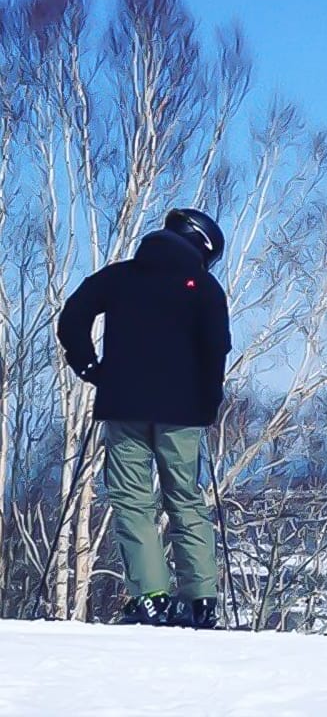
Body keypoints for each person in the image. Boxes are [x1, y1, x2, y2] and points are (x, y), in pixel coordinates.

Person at [56, 208, 232, 628]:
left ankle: (151, 598)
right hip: (184, 412)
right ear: (203, 247)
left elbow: (73, 317)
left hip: (124, 405)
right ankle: (201, 601)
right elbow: (216, 349)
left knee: (133, 501)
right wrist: (209, 402)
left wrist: (90, 368)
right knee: (185, 499)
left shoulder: (119, 276)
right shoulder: (205, 287)